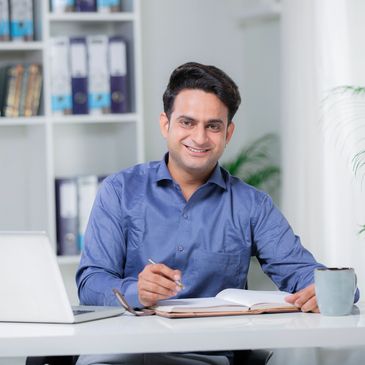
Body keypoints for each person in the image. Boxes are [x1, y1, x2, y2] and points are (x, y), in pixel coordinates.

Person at [75, 62, 356, 365]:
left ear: (228, 132)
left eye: (212, 126)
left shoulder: (252, 205)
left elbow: (303, 273)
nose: (199, 138)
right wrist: (135, 291)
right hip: (120, 353)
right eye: (187, 122)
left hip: (205, 358)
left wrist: (328, 291)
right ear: (165, 124)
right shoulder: (119, 190)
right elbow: (90, 283)